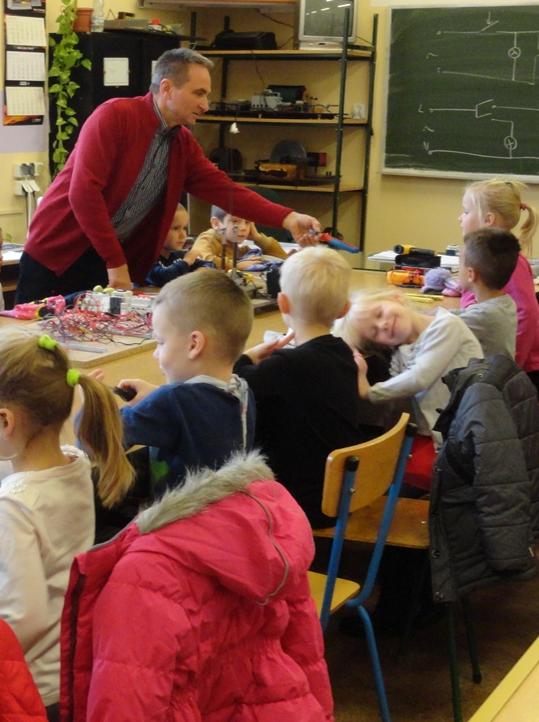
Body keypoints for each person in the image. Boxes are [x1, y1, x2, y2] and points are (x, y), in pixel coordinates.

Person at [0, 331, 133, 719]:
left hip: (29, 686)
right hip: (70, 668)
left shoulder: (11, 507)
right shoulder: (74, 463)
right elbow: (36, 481)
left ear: (4, 420)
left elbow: (23, 619)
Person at [16, 47, 320, 302]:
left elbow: (225, 190)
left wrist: (289, 218)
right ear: (166, 88)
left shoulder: (182, 143)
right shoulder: (115, 116)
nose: (205, 105)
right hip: (57, 255)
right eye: (198, 93)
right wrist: (116, 262)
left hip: (107, 259)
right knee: (34, 347)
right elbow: (83, 194)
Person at [60, 452, 333, 722]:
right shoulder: (274, 535)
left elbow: (126, 702)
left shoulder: (143, 576)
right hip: (287, 704)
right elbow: (307, 653)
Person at [233, 247, 363, 528]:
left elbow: (233, 384)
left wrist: (247, 357)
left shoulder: (287, 365)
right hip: (338, 495)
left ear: (282, 303)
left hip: (295, 504)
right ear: (345, 308)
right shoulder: (343, 354)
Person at [110, 269, 256, 493]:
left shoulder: (173, 401)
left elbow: (103, 437)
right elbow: (197, 410)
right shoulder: (242, 391)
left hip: (180, 514)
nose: (155, 354)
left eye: (161, 342)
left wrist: (89, 400)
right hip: (227, 509)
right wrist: (157, 396)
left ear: (194, 345)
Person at [336, 289, 483, 492]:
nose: (383, 325)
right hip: (434, 436)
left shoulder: (447, 326)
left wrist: (367, 391)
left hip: (464, 442)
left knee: (376, 484)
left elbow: (418, 378)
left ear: (396, 298)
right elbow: (398, 401)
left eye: (379, 313)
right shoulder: (403, 348)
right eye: (375, 332)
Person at [458, 178, 539, 397]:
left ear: (488, 219)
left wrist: (509, 368)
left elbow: (525, 314)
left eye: (466, 212)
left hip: (528, 366)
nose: (460, 218)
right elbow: (485, 290)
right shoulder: (488, 256)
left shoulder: (511, 262)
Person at [452, 228, 520, 360]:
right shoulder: (504, 303)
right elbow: (462, 313)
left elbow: (436, 329)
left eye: (460, 263)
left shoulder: (484, 315)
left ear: (471, 274)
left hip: (483, 374)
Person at [190, 203, 291, 271]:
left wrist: (258, 238)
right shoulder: (208, 237)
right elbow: (203, 260)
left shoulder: (234, 246)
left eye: (247, 222)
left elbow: (282, 260)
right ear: (216, 223)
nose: (243, 228)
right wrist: (237, 265)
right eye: (235, 221)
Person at [145, 204, 215, 287]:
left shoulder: (178, 256)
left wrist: (202, 270)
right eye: (176, 228)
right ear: (158, 230)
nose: (183, 235)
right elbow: (163, 278)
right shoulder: (147, 259)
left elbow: (210, 264)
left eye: (184, 228)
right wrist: (186, 261)